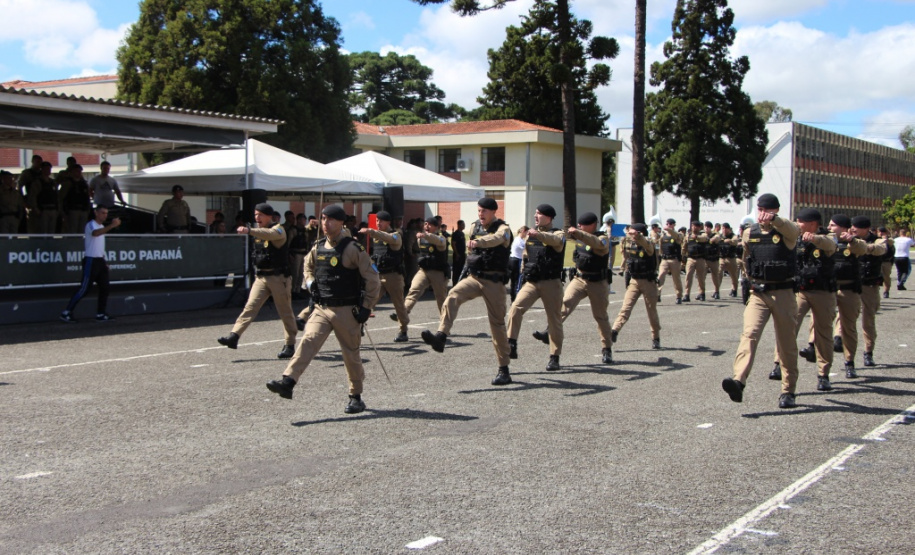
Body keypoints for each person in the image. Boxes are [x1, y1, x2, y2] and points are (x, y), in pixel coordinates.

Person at [265, 205, 381, 414]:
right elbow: (307, 267)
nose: (326, 223)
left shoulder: (353, 248)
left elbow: (373, 278)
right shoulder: (318, 246)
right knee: (308, 341)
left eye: (331, 219)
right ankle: (288, 381)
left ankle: (355, 396)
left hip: (346, 309)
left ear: (341, 222)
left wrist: (367, 306)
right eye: (324, 218)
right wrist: (311, 284)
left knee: (351, 354)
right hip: (322, 307)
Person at [420, 197, 514, 385]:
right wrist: (464, 272)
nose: (480, 214)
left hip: (494, 282)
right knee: (452, 296)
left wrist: (479, 242)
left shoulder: (503, 229)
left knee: (497, 325)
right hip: (475, 278)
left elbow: (495, 239)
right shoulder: (474, 227)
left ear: (493, 212)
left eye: (484, 211)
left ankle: (504, 369)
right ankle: (441, 336)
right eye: (479, 210)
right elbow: (470, 254)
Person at [722, 194, 801, 409]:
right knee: (749, 334)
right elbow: (747, 259)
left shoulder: (786, 230)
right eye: (760, 209)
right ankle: (738, 381)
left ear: (776, 210)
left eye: (767, 210)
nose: (763, 214)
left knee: (786, 343)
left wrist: (775, 220)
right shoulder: (750, 232)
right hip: (759, 293)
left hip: (783, 292)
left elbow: (794, 231)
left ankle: (788, 390)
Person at [217, 203, 299, 359]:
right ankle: (234, 335)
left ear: (269, 216)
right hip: (262, 277)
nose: (257, 218)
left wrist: (249, 230)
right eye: (255, 215)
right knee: (250, 307)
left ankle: (290, 344)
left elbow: (270, 234)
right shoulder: (258, 231)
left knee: (285, 312)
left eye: (260, 215)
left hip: (279, 278)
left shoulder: (278, 229)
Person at [768, 208, 838, 391]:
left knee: (823, 334)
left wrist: (814, 239)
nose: (797, 224)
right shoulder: (795, 237)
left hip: (823, 292)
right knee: (788, 328)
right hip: (800, 291)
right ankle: (778, 364)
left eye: (800, 221)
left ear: (812, 224)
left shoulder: (828, 237)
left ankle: (823, 374)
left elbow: (830, 245)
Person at [532, 212, 613, 363]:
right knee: (563, 305)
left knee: (600, 316)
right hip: (579, 279)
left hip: (597, 282)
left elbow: (596, 243)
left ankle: (606, 348)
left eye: (582, 225)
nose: (579, 226)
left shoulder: (602, 238)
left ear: (592, 225)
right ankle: (549, 332)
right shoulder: (579, 237)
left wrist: (579, 233)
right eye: (579, 225)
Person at [506, 204, 566, 371]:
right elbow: (526, 256)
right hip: (532, 282)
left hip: (551, 283)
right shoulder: (530, 235)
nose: (535, 216)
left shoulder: (558, 234)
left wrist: (538, 234)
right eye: (535, 213)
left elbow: (555, 241)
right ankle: (511, 343)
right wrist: (523, 273)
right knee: (515, 308)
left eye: (539, 213)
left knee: (554, 320)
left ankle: (554, 356)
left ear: (549, 217)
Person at [59, 206, 120, 322]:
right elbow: (95, 233)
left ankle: (101, 313)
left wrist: (104, 261)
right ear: (96, 213)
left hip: (100, 261)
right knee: (84, 288)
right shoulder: (91, 224)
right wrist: (111, 226)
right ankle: (66, 312)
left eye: (106, 213)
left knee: (105, 287)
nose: (105, 215)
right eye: (102, 213)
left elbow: (99, 245)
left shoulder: (102, 226)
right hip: (91, 260)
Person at [827, 214, 868, 378]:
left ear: (844, 228)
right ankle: (823, 368)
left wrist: (851, 240)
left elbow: (862, 248)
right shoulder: (826, 240)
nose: (829, 228)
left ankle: (849, 362)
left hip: (848, 289)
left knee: (849, 328)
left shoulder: (854, 242)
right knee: (820, 326)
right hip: (828, 289)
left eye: (832, 225)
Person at [611, 223, 661, 349]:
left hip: (648, 281)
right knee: (625, 308)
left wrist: (638, 236)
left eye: (634, 233)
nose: (631, 235)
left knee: (651, 311)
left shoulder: (649, 243)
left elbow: (649, 247)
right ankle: (614, 330)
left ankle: (655, 337)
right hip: (634, 281)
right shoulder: (630, 243)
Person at [361, 211, 410, 342]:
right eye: (377, 221)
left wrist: (372, 231)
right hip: (378, 275)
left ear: (388, 222)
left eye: (381, 221)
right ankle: (360, 324)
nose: (378, 223)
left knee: (398, 304)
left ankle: (403, 330)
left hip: (393, 276)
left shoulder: (396, 235)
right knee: (369, 301)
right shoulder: (376, 236)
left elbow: (387, 238)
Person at [850, 216, 887, 368]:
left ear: (866, 229)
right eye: (851, 226)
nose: (852, 229)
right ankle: (847, 355)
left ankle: (868, 351)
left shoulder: (878, 240)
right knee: (844, 318)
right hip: (852, 284)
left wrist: (863, 246)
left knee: (868, 321)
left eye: (856, 227)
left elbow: (881, 249)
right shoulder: (849, 239)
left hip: (869, 285)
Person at [403, 216, 449, 316]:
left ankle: (445, 321)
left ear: (436, 227)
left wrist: (426, 235)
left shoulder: (441, 239)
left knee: (441, 298)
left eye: (430, 224)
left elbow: (435, 239)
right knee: (414, 290)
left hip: (438, 272)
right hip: (424, 270)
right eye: (425, 224)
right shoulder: (421, 239)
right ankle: (403, 312)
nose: (427, 226)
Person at [656, 218, 684, 304]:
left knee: (676, 279)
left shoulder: (678, 234)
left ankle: (679, 296)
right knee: (660, 276)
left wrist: (669, 230)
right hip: (665, 259)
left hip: (674, 259)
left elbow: (678, 238)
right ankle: (657, 294)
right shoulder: (663, 235)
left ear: (674, 225)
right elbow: (661, 247)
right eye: (667, 224)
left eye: (671, 224)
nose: (669, 225)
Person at [59, 164, 92, 234]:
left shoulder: (84, 184)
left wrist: (88, 209)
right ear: (72, 172)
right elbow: (61, 198)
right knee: (72, 230)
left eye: (80, 171)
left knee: (82, 230)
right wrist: (62, 212)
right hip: (72, 210)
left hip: (83, 210)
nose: (79, 173)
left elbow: (87, 197)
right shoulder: (67, 183)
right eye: (76, 171)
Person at [29, 161, 59, 234]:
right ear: (42, 170)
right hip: (43, 210)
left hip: (53, 209)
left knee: (51, 231)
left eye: (49, 169)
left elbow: (57, 196)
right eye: (46, 169)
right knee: (43, 231)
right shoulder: (37, 182)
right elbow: (33, 196)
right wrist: (35, 208)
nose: (48, 171)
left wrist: (58, 209)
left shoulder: (53, 182)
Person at [682, 221, 709, 302]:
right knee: (688, 276)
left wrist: (696, 237)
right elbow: (684, 247)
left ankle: (702, 293)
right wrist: (682, 256)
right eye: (693, 226)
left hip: (700, 259)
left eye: (696, 226)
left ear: (699, 227)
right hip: (691, 258)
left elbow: (704, 238)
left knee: (701, 277)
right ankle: (687, 294)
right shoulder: (688, 236)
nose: (694, 227)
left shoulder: (703, 234)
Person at [287, 213, 311, 298]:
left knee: (301, 273)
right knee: (295, 273)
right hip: (296, 254)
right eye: (302, 220)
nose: (304, 221)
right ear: (299, 220)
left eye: (304, 220)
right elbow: (288, 243)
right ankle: (293, 290)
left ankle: (298, 290)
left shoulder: (305, 230)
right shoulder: (293, 230)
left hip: (303, 253)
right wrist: (289, 254)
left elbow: (307, 242)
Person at [717, 222, 740, 297]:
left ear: (728, 229)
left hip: (731, 258)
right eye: (723, 228)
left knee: (734, 276)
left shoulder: (733, 236)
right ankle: (716, 291)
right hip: (722, 258)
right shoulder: (720, 236)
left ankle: (734, 290)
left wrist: (729, 241)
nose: (724, 230)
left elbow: (735, 241)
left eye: (725, 228)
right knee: (719, 273)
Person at [704, 221, 723, 299]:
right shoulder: (703, 235)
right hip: (705, 259)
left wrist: (710, 239)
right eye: (705, 227)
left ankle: (717, 291)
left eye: (708, 227)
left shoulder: (715, 235)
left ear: (711, 228)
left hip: (713, 259)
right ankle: (701, 292)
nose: (706, 228)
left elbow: (717, 238)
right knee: (701, 277)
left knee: (715, 277)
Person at [508, 226, 528, 301]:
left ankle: (513, 299)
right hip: (516, 260)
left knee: (514, 281)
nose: (527, 234)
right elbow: (525, 250)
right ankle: (516, 299)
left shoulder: (518, 239)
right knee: (517, 281)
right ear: (523, 231)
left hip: (513, 259)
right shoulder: (519, 240)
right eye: (526, 232)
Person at [877, 227, 895, 298]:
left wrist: (885, 239)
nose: (881, 233)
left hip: (886, 262)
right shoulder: (875, 239)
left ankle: (886, 291)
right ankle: (876, 290)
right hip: (877, 261)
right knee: (876, 277)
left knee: (886, 277)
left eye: (882, 232)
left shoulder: (889, 240)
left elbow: (891, 242)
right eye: (879, 232)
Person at [451, 219, 467, 285]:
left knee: (461, 269)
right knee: (456, 270)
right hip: (458, 254)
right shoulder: (456, 234)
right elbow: (453, 244)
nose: (464, 226)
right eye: (463, 225)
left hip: (462, 254)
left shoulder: (462, 233)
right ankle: (455, 284)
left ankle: (460, 283)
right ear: (459, 225)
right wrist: (457, 254)